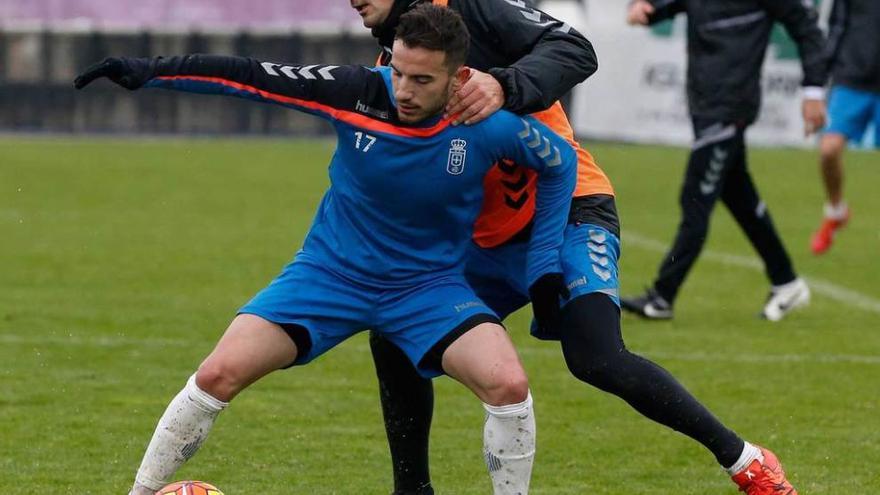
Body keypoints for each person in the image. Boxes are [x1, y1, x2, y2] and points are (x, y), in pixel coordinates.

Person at [74, 5, 579, 494]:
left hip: (428, 289)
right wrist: (147, 71)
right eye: (398, 72)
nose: (403, 89)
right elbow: (250, 76)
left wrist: (543, 271)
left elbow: (560, 165)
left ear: (458, 76)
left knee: (509, 388)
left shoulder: (488, 124)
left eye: (422, 80)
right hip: (328, 277)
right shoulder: (355, 92)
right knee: (215, 375)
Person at [353, 1, 804, 495]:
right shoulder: (392, 74)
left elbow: (574, 48)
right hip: (488, 241)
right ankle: (411, 489)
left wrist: (504, 84)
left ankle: (746, 461)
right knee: (393, 333)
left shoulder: (475, 10)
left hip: (570, 210)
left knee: (596, 358)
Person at [621, 0, 828, 323]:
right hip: (705, 106)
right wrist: (645, 9)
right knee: (741, 199)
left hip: (730, 110)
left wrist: (813, 92)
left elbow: (808, 29)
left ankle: (663, 296)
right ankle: (786, 282)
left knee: (695, 199)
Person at [811, 0, 880, 255]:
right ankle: (836, 211)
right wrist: (818, 82)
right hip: (852, 78)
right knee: (829, 150)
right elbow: (836, 25)